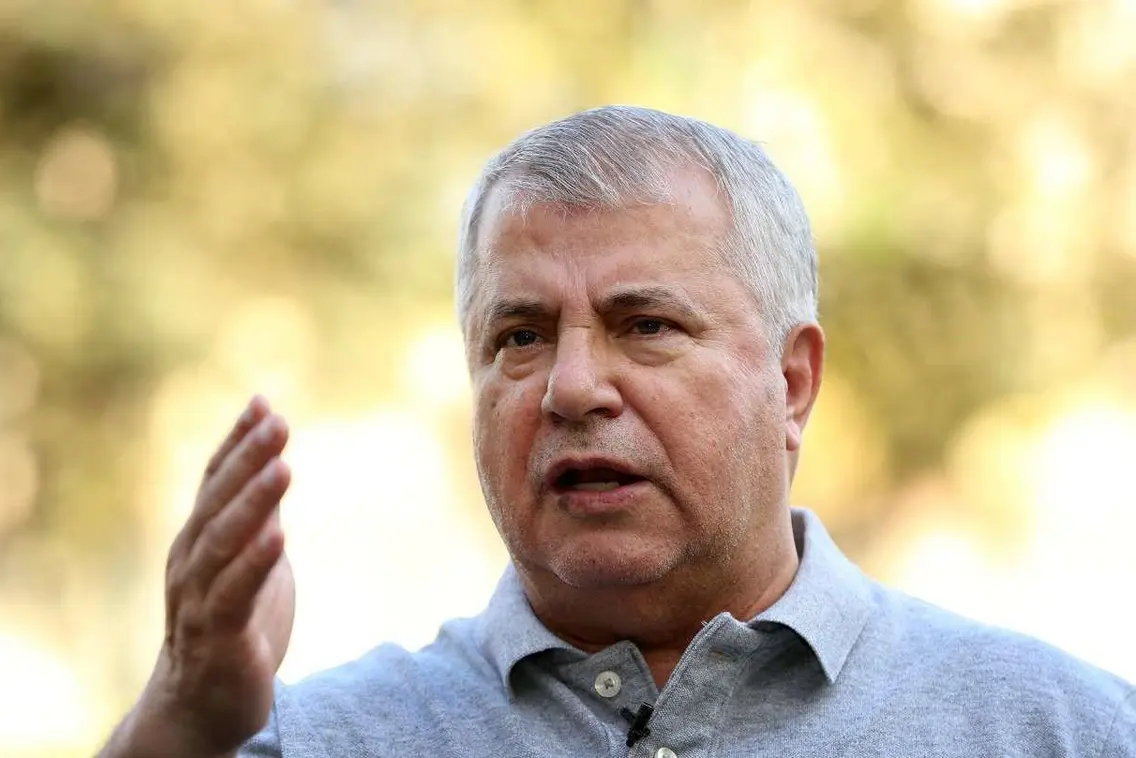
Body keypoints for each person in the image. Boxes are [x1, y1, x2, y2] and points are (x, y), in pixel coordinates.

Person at [98, 106, 1135, 758]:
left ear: (791, 383)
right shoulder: (320, 741)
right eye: (520, 336)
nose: (572, 387)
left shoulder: (1056, 730)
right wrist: (180, 717)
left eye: (646, 326)